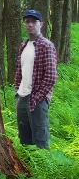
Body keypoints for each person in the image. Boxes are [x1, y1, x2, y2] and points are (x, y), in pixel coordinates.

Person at [14, 9, 57, 149]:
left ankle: (42, 170)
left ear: (41, 24)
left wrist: (38, 97)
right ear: (24, 24)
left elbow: (51, 76)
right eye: (27, 22)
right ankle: (28, 170)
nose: (30, 24)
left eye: (34, 21)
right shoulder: (23, 46)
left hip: (37, 99)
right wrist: (18, 91)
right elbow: (19, 71)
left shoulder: (46, 46)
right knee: (25, 139)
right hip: (22, 97)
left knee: (40, 140)